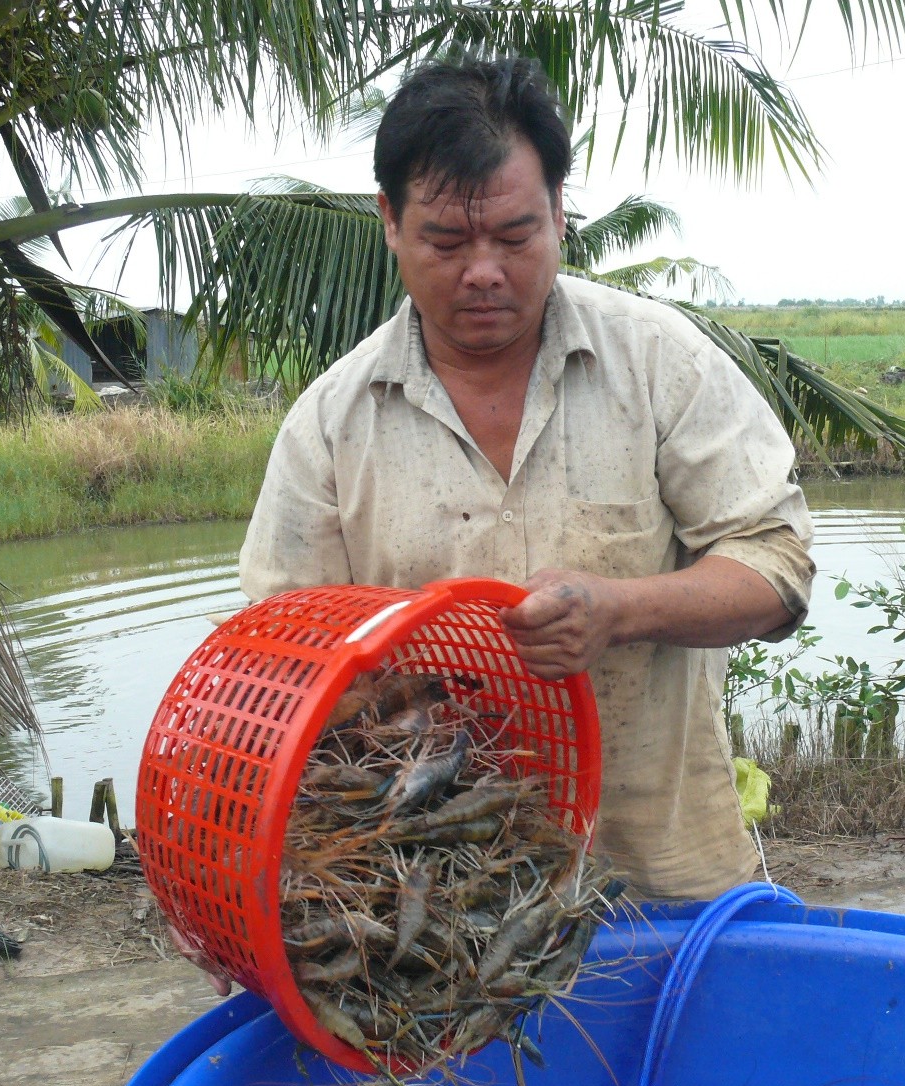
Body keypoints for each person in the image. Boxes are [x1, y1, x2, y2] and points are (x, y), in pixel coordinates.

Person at [237, 57, 815, 905]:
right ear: (389, 222)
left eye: (514, 236)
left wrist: (619, 612)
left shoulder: (663, 363)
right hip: (434, 900)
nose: (483, 271)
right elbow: (277, 662)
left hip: (662, 873)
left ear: (560, 217)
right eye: (445, 239)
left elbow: (778, 567)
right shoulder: (330, 424)